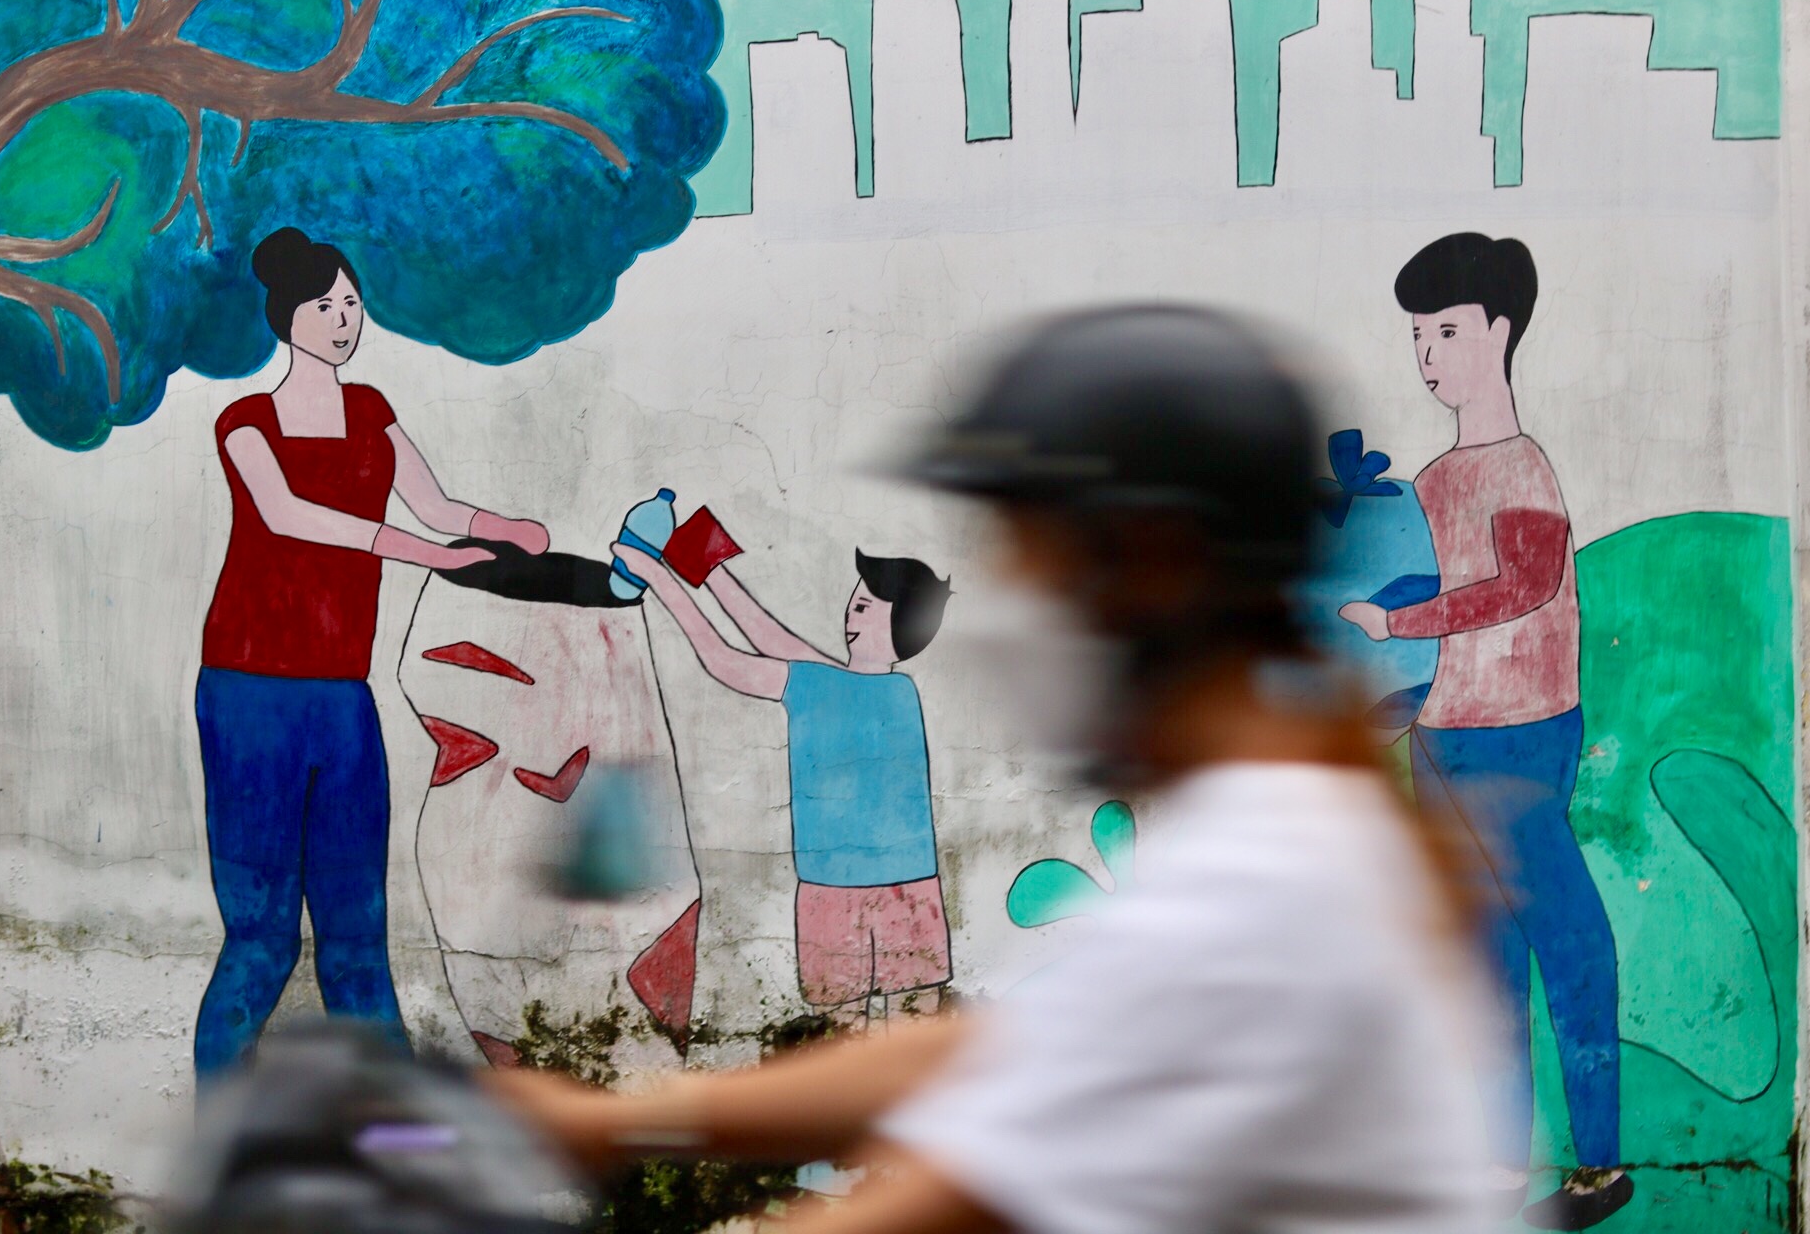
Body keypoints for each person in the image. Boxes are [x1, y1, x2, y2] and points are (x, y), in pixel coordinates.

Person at [490, 306, 1496, 1233]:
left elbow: (958, 1189)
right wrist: (633, 1123)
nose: (1004, 610)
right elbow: (985, 1055)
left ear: (1150, 559)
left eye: (1024, 553)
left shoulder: (1258, 881)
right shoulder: (1283, 818)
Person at [194, 227, 545, 1079]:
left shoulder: (373, 411)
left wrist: (503, 529)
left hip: (341, 699)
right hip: (249, 694)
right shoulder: (244, 423)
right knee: (262, 940)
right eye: (326, 306)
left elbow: (436, 504)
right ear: (289, 318)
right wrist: (421, 552)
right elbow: (289, 517)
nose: (344, 319)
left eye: (352, 303)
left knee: (358, 936)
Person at [1339, 234, 1627, 1229]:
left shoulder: (1524, 469)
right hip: (1441, 738)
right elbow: (1410, 611)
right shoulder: (1429, 481)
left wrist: (1400, 621)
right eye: (1418, 333)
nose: (1428, 352)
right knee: (1483, 961)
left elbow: (1520, 587)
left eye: (1448, 329)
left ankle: (1599, 1162)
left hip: (1522, 731)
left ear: (1500, 331)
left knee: (1568, 936)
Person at [611, 540, 955, 1026]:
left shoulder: (821, 686)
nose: (849, 613)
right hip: (913, 886)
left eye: (862, 604)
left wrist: (659, 575)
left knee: (843, 1025)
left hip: (832, 888)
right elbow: (775, 640)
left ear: (888, 620)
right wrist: (704, 565)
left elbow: (722, 657)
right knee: (913, 1016)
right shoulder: (898, 691)